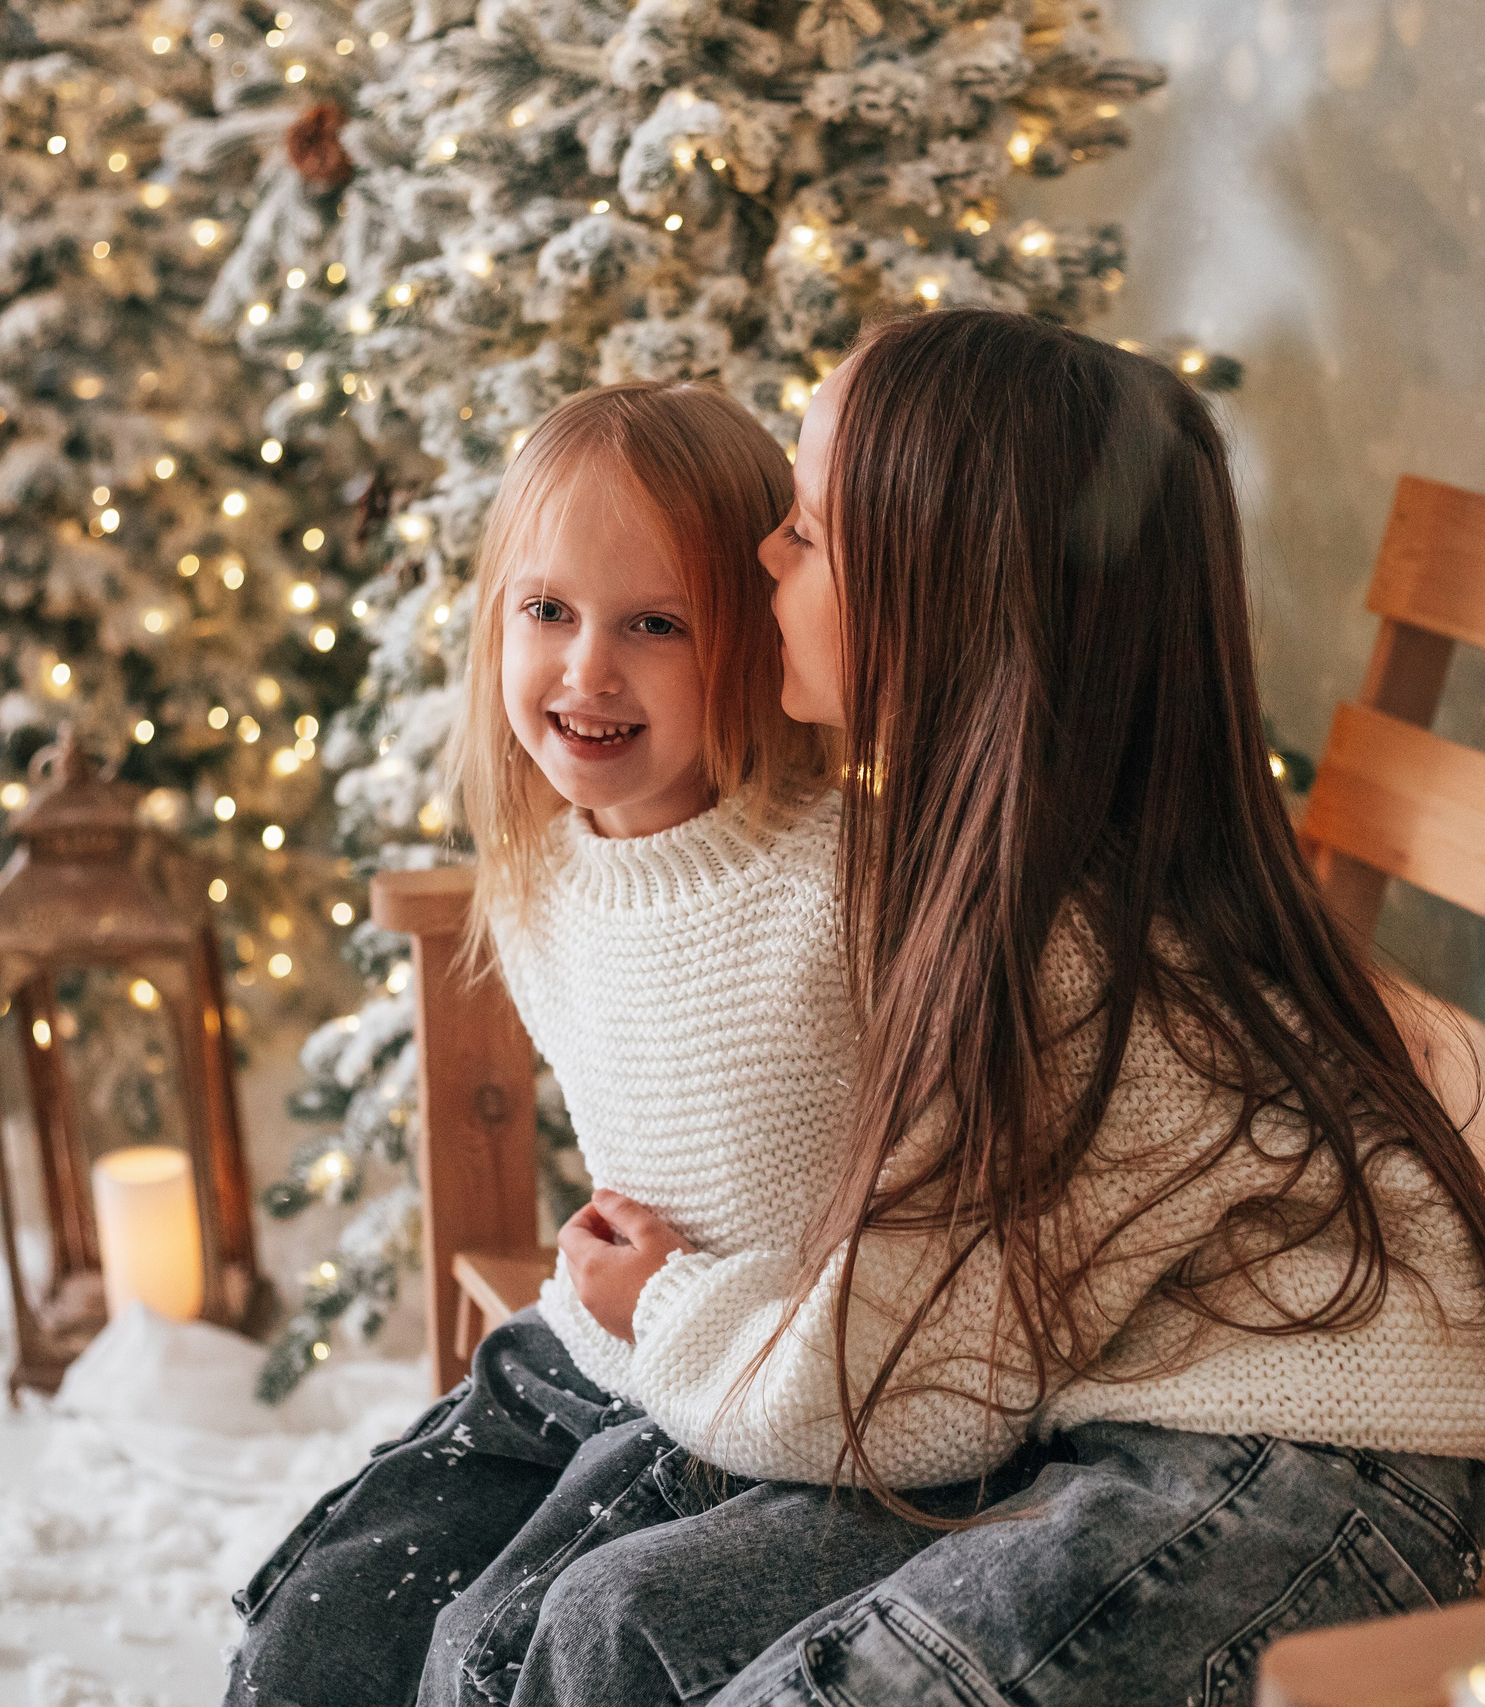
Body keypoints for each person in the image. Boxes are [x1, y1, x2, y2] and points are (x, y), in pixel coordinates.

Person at [501, 310, 1485, 1706]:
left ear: (948, 605)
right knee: (620, 1617)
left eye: (810, 532)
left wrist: (663, 1304)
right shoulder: (996, 879)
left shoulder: (1052, 950)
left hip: (1307, 1477)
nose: (762, 554)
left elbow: (907, 1392)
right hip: (1109, 1429)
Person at [224, 380, 965, 1707]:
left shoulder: (852, 885)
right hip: (593, 1354)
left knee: (489, 1653)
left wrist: (690, 1309)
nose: (587, 672)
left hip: (770, 1402)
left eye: (656, 625)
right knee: (320, 1621)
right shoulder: (540, 880)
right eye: (549, 612)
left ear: (755, 637)